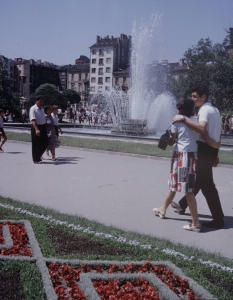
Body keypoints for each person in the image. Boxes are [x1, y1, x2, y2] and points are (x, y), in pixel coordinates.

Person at [171, 86, 224, 229]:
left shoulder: (205, 110)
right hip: (211, 149)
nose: (193, 99)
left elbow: (201, 129)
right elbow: (216, 133)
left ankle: (218, 220)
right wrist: (216, 152)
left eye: (195, 96)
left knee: (207, 186)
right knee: (200, 180)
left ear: (203, 97)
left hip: (205, 149)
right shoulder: (215, 110)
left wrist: (182, 118)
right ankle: (182, 205)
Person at [153, 98, 201, 232]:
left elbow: (171, 142)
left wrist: (170, 136)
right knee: (173, 184)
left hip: (182, 155)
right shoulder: (195, 121)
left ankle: (196, 222)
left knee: (187, 190)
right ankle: (163, 209)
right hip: (190, 155)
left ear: (179, 109)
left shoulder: (176, 122)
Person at [29, 95, 49, 164]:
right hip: (36, 127)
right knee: (36, 143)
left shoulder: (42, 108)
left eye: (42, 101)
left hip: (43, 126)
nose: (41, 102)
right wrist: (37, 129)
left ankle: (38, 155)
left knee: (46, 142)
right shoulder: (33, 108)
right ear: (36, 101)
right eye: (40, 101)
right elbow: (33, 120)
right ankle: (35, 158)